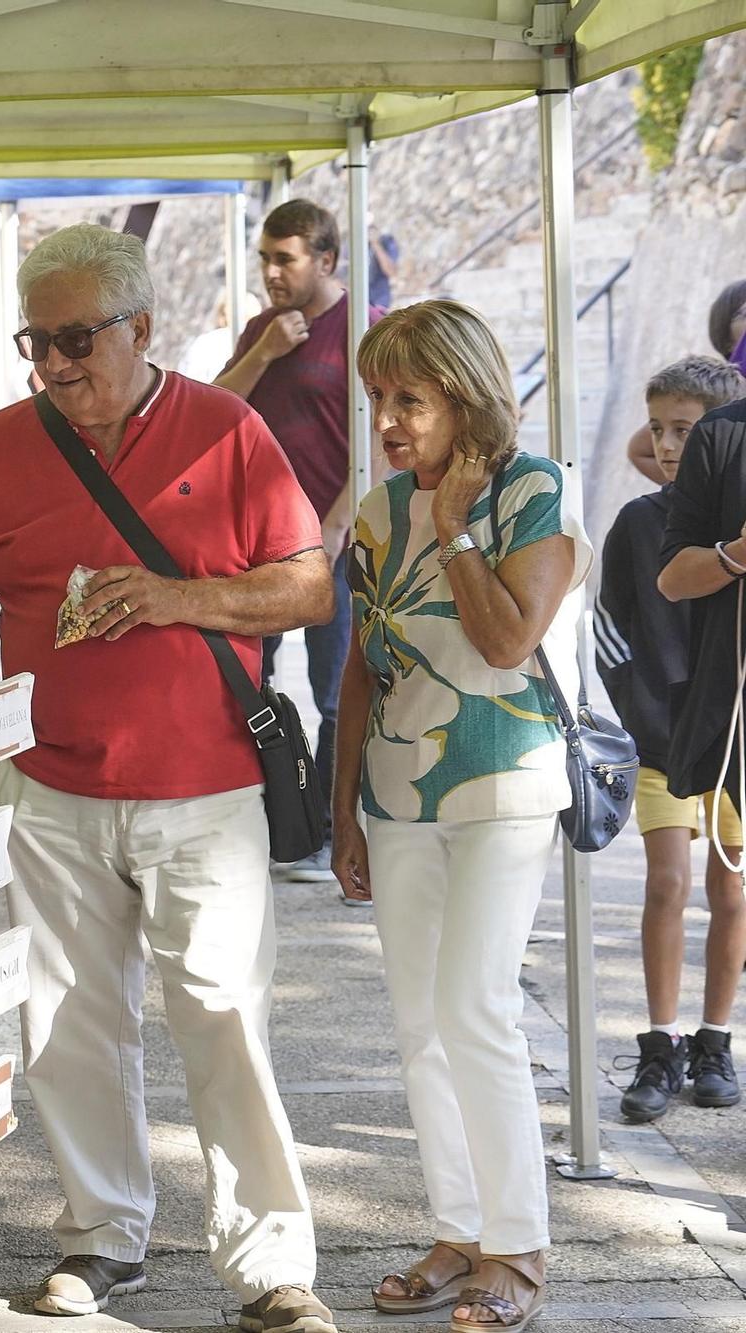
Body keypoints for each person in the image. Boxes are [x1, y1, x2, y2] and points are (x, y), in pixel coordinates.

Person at [0, 223, 338, 1329]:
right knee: (64, 1028)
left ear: (142, 328)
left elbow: (305, 589)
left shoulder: (228, 430)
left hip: (204, 790)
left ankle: (268, 1266)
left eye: (75, 340)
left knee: (223, 1019)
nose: (53, 366)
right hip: (50, 791)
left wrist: (176, 597)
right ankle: (101, 1238)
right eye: (35, 343)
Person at [333, 299, 590, 1332]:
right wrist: (344, 809)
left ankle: (517, 1243)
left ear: (463, 397)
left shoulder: (536, 489)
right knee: (414, 1021)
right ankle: (457, 1227)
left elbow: (502, 641)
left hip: (501, 779)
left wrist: (452, 532)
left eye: (409, 399)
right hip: (395, 792)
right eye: (376, 399)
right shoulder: (371, 508)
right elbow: (361, 665)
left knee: (474, 1005)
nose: (387, 420)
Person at [216, 199, 380, 885]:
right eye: (265, 258)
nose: (271, 272)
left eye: (285, 259)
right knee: (245, 682)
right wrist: (265, 349)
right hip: (255, 545)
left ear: (326, 261)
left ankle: (329, 834)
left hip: (333, 540)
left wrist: (341, 519)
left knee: (338, 690)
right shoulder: (264, 327)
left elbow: (378, 434)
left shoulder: (361, 326)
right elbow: (216, 407)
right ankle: (265, 821)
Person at [599, 357, 746, 1122]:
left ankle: (715, 1039)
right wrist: (640, 714)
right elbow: (612, 630)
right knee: (667, 884)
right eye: (656, 428)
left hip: (734, 740)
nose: (663, 444)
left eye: (682, 431)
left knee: (730, 889)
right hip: (660, 737)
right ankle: (661, 1041)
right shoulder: (638, 524)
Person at [627, 278, 746, 484]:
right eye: (745, 314)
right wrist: (696, 494)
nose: (665, 444)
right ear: (726, 337)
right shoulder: (714, 393)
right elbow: (640, 450)